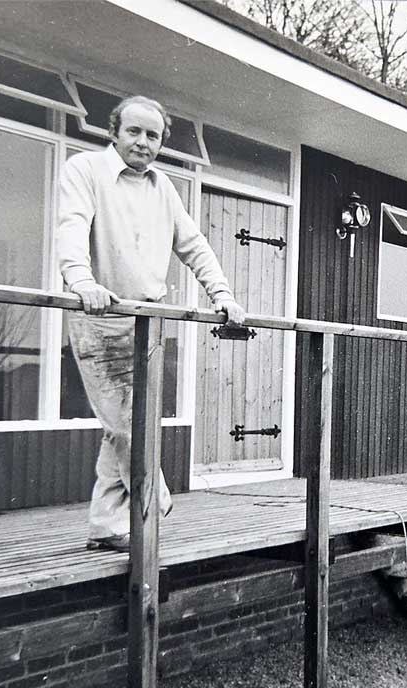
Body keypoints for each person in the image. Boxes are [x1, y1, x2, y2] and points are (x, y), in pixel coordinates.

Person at [56, 95, 245, 552]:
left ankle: (105, 523)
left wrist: (222, 294)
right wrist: (82, 282)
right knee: (126, 426)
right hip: (99, 316)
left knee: (123, 425)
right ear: (114, 132)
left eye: (153, 135)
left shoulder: (163, 187)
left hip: (147, 323)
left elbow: (194, 245)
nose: (143, 142)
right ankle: (153, 501)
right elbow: (72, 227)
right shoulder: (84, 171)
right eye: (134, 132)